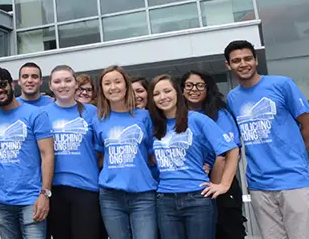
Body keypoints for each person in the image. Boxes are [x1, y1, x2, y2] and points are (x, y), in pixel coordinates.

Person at [223, 40, 309, 239]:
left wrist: (292, 154)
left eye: (248, 58)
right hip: (259, 184)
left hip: (293, 180)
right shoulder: (233, 98)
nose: (243, 64)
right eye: (236, 61)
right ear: (228, 65)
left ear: (256, 60)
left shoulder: (281, 84)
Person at [148, 75, 240, 239]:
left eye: (167, 91)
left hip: (197, 198)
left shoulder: (197, 119)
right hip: (165, 200)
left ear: (177, 93)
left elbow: (231, 150)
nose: (163, 97)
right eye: (156, 94)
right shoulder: (155, 126)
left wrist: (224, 184)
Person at [0, 66, 54, 239]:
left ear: (12, 84)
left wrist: (45, 194)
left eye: (2, 84)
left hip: (31, 200)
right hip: (1, 202)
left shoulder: (36, 114)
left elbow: (48, 155)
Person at [94, 66, 157, 239]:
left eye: (117, 82)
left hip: (143, 195)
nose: (113, 87)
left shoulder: (144, 116)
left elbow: (154, 154)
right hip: (110, 196)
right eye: (107, 83)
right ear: (102, 89)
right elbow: (99, 155)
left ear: (126, 86)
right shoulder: (98, 119)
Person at [182, 70, 246, 239]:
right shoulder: (176, 118)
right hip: (191, 186)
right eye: (189, 85)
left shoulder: (220, 114)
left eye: (200, 85)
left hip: (220, 184)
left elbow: (226, 154)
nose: (194, 89)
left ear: (207, 89)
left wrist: (214, 185)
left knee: (228, 231)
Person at [43, 65, 104, 239]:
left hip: (86, 188)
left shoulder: (93, 112)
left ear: (75, 84)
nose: (63, 85)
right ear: (51, 85)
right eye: (57, 81)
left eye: (68, 80)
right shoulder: (42, 114)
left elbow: (101, 148)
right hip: (54, 189)